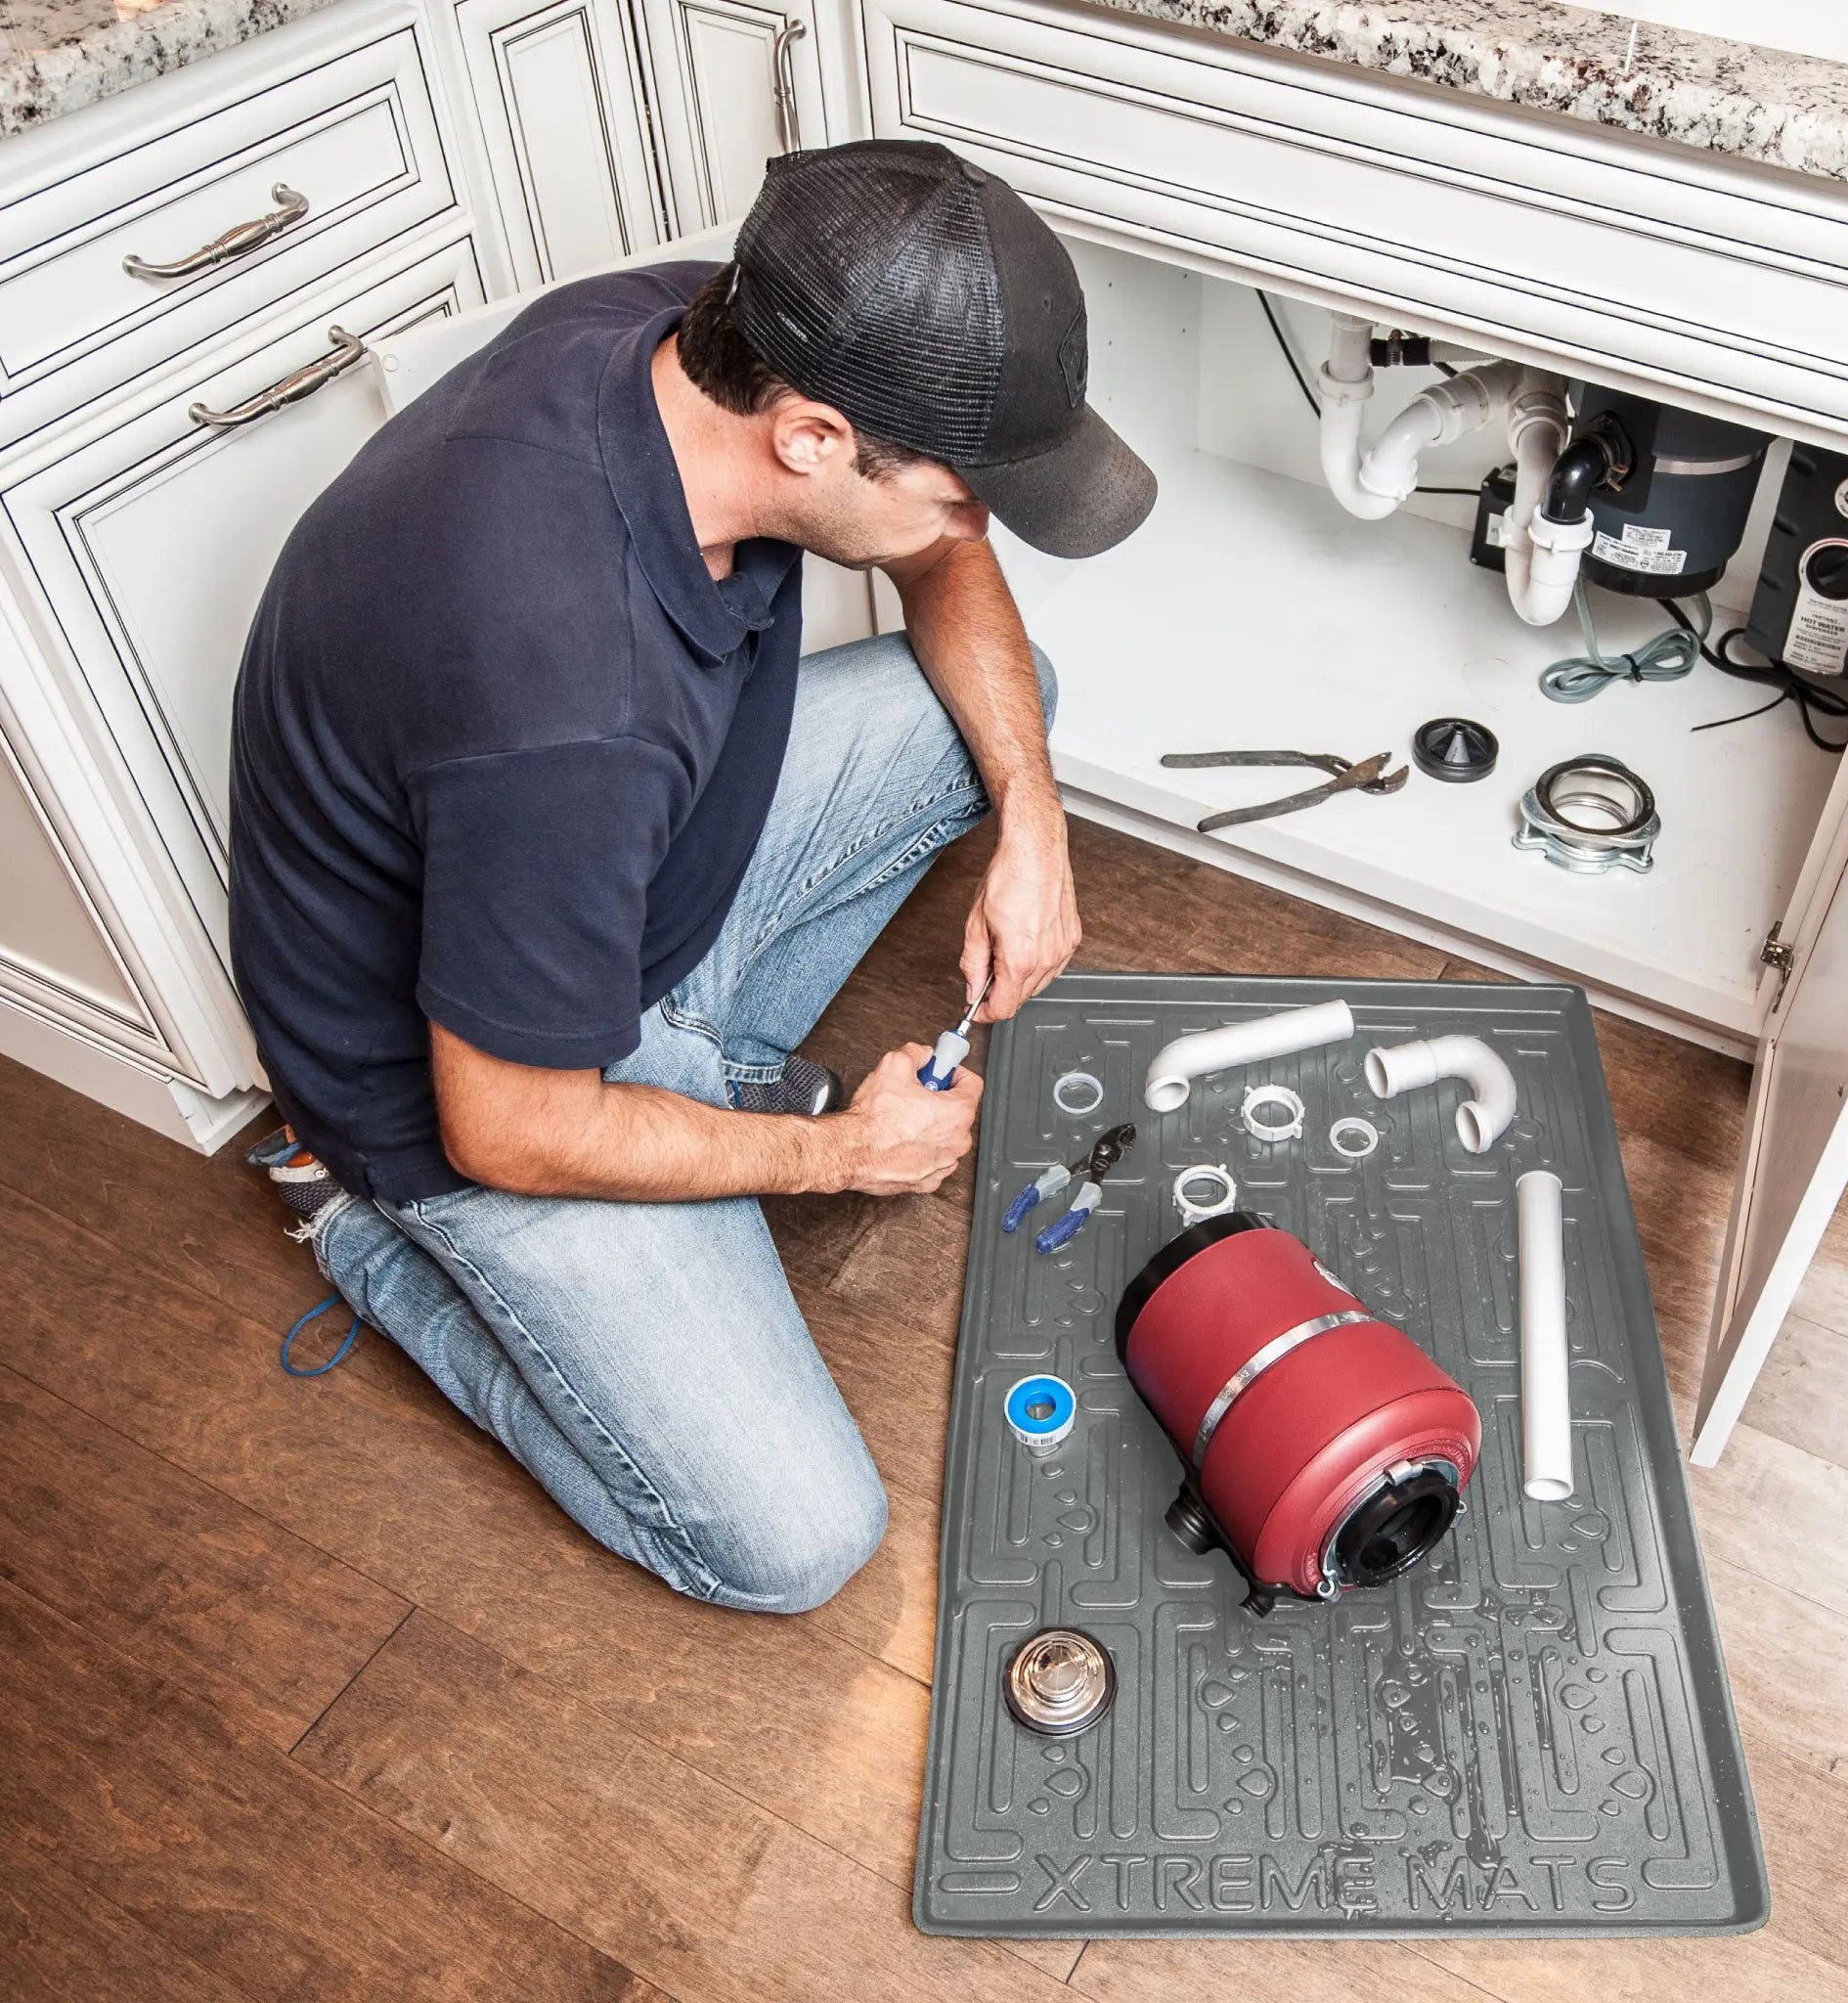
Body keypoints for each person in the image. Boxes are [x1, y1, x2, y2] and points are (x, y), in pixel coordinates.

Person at [227, 139, 1156, 1612]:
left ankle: (706, 1072)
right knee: (793, 1545)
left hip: (615, 900)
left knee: (999, 699)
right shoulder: (559, 702)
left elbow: (940, 569)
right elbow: (513, 1124)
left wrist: (1030, 823)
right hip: (463, 1093)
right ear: (809, 440)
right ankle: (373, 1241)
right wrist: (840, 1156)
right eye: (965, 491)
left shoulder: (698, 330)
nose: (976, 527)